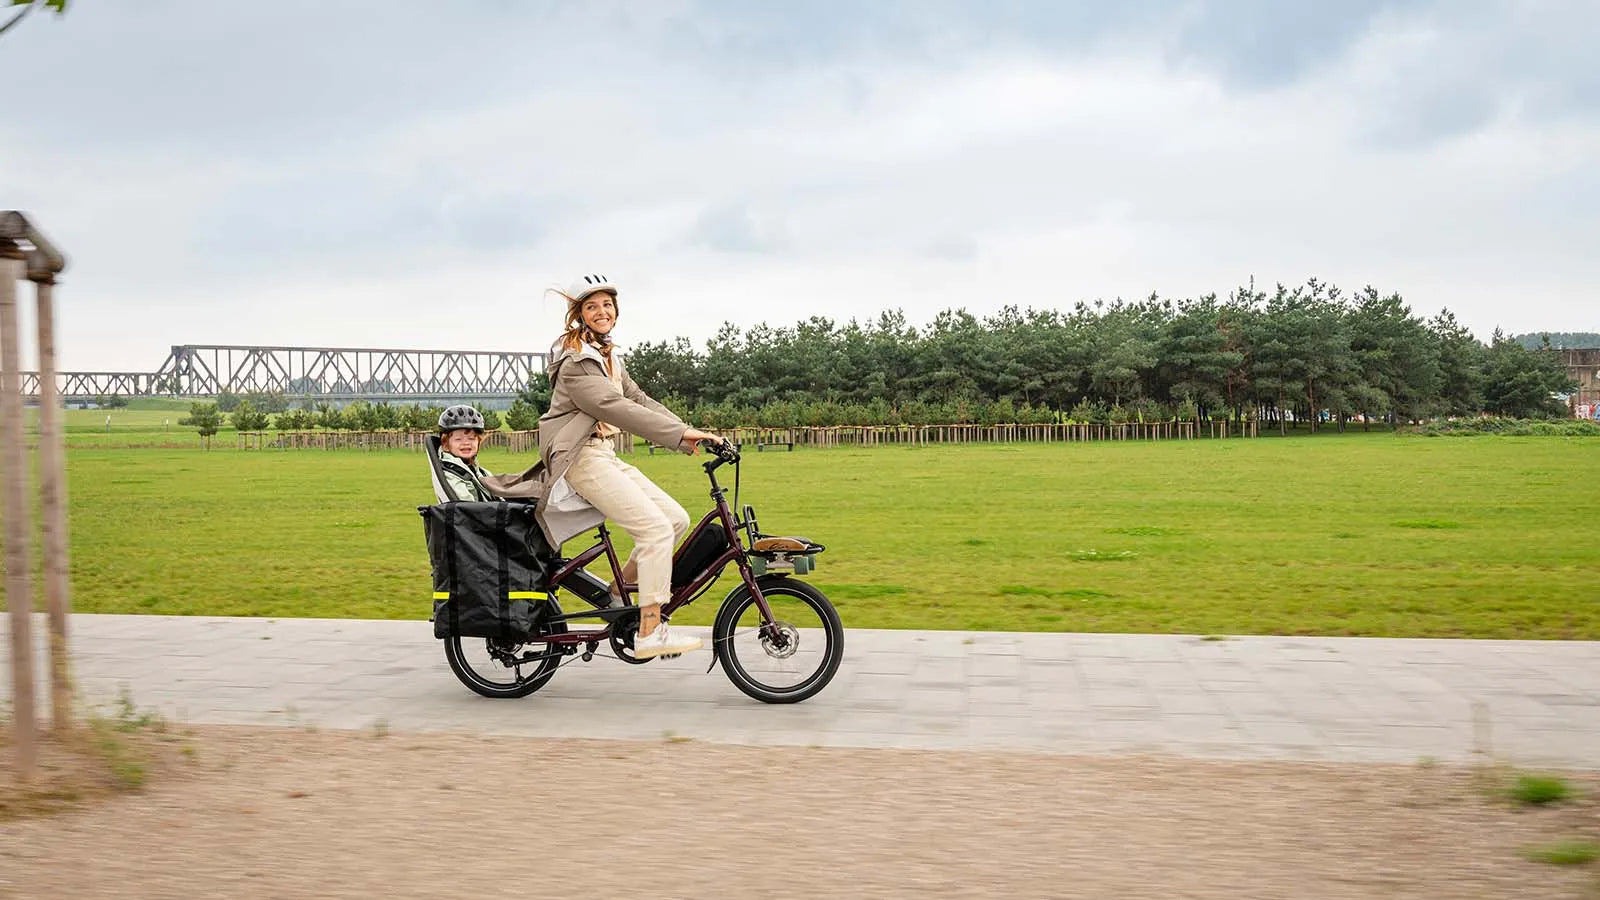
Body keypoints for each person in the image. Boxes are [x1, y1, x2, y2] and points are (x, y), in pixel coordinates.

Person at [538, 273, 723, 660]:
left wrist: (689, 431)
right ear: (579, 315)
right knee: (654, 530)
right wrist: (676, 436)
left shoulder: (607, 357)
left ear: (616, 310)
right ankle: (650, 630)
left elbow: (638, 398)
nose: (601, 311)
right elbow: (615, 408)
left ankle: (617, 594)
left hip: (603, 454)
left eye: (607, 305)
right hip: (580, 458)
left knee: (674, 519)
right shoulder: (576, 362)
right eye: (592, 306)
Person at [437, 404, 494, 502]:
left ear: (478, 442)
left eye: (471, 438)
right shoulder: (452, 476)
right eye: (458, 439)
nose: (466, 443)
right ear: (446, 444)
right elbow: (468, 509)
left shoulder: (480, 472)